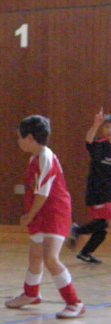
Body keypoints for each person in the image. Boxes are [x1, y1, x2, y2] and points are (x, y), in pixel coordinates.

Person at [5, 115, 85, 319]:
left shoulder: (45, 158)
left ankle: (74, 302)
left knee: (50, 258)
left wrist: (29, 216)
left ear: (30, 138)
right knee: (35, 256)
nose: (18, 141)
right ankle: (31, 294)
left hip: (55, 213)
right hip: (42, 213)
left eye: (19, 137)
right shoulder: (34, 157)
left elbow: (43, 193)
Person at [69, 108, 111, 264]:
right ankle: (77, 230)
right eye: (106, 126)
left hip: (109, 192)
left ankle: (85, 253)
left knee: (102, 229)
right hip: (98, 191)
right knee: (106, 222)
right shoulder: (99, 144)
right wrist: (95, 124)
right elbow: (88, 140)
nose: (109, 130)